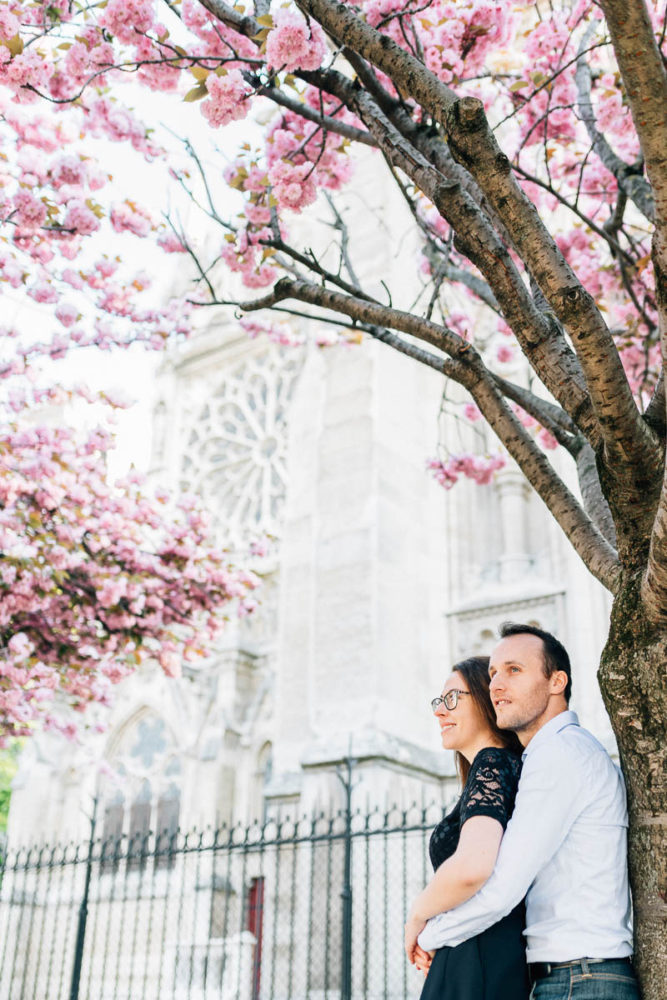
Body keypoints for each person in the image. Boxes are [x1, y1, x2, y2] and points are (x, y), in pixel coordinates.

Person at [412, 623, 639, 1000]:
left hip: (581, 980)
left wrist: (425, 929)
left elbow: (498, 887)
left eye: (514, 670)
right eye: (493, 674)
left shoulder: (561, 754)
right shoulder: (546, 757)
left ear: (557, 681)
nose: (497, 684)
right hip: (572, 978)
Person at [404, 655, 529, 1000]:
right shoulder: (497, 767)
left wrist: (417, 916)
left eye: (452, 699)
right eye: (438, 702)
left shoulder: (493, 762)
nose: (439, 712)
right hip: (479, 955)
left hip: (479, 958)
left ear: (488, 699)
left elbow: (473, 868)